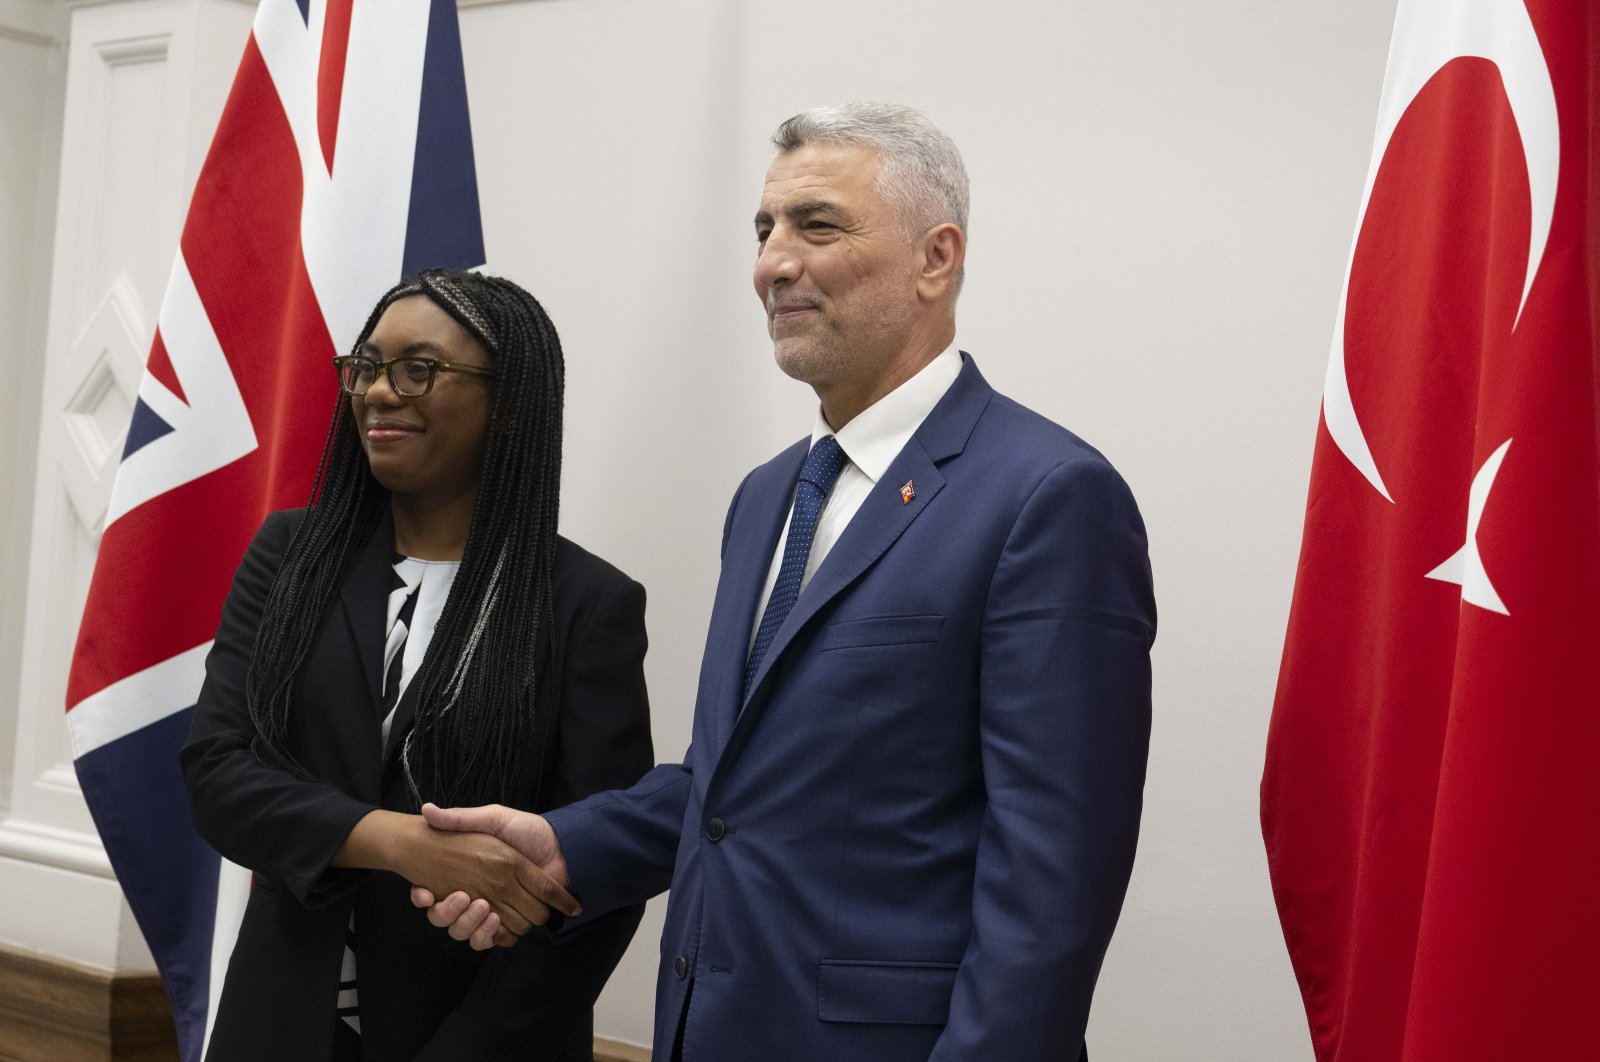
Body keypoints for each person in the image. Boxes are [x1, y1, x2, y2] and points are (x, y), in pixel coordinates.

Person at [418, 104, 1155, 1061]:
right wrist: (568, 848)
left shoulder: (1049, 496)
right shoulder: (769, 496)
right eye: (764, 231)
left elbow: (1054, 873)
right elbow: (737, 784)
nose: (772, 262)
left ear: (937, 259)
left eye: (817, 226)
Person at [181, 269, 654, 1061]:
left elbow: (596, 884)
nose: (377, 392)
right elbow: (219, 778)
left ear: (506, 405)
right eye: (365, 367)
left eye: (419, 370)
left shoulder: (587, 604)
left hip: (482, 1039)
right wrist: (400, 841)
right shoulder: (289, 558)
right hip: (279, 1024)